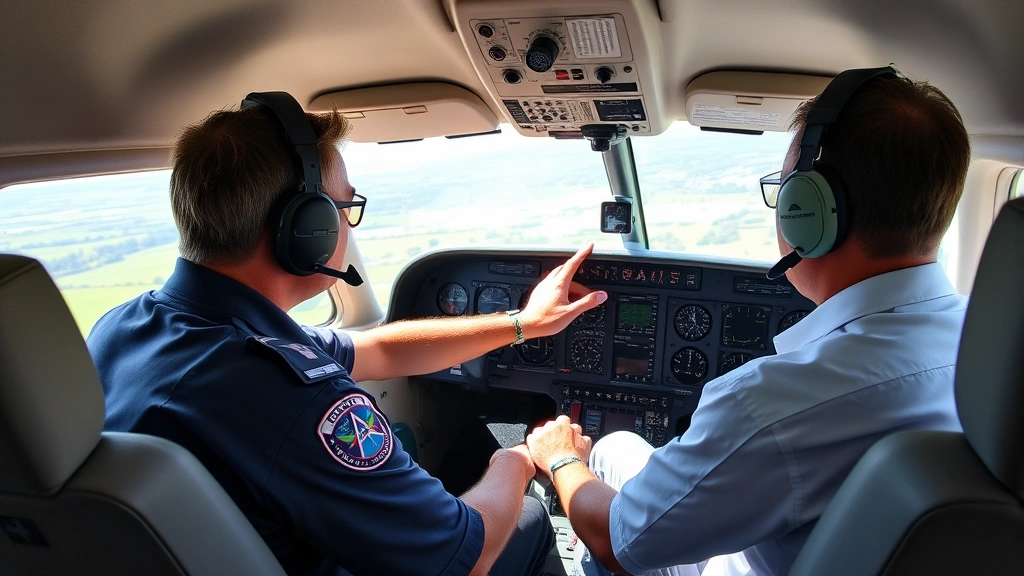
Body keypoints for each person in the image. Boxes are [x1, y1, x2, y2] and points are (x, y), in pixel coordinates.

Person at [86, 98, 608, 576]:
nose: (346, 227)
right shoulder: (287, 395)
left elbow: (375, 350)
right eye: (343, 207)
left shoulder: (126, 327)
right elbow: (464, 558)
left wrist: (522, 324)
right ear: (304, 227)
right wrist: (518, 460)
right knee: (530, 522)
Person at [524, 69, 972, 576]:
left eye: (785, 191)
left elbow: (616, 539)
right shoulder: (990, 347)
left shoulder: (774, 404)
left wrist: (560, 457)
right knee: (617, 446)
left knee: (594, 479)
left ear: (809, 212)